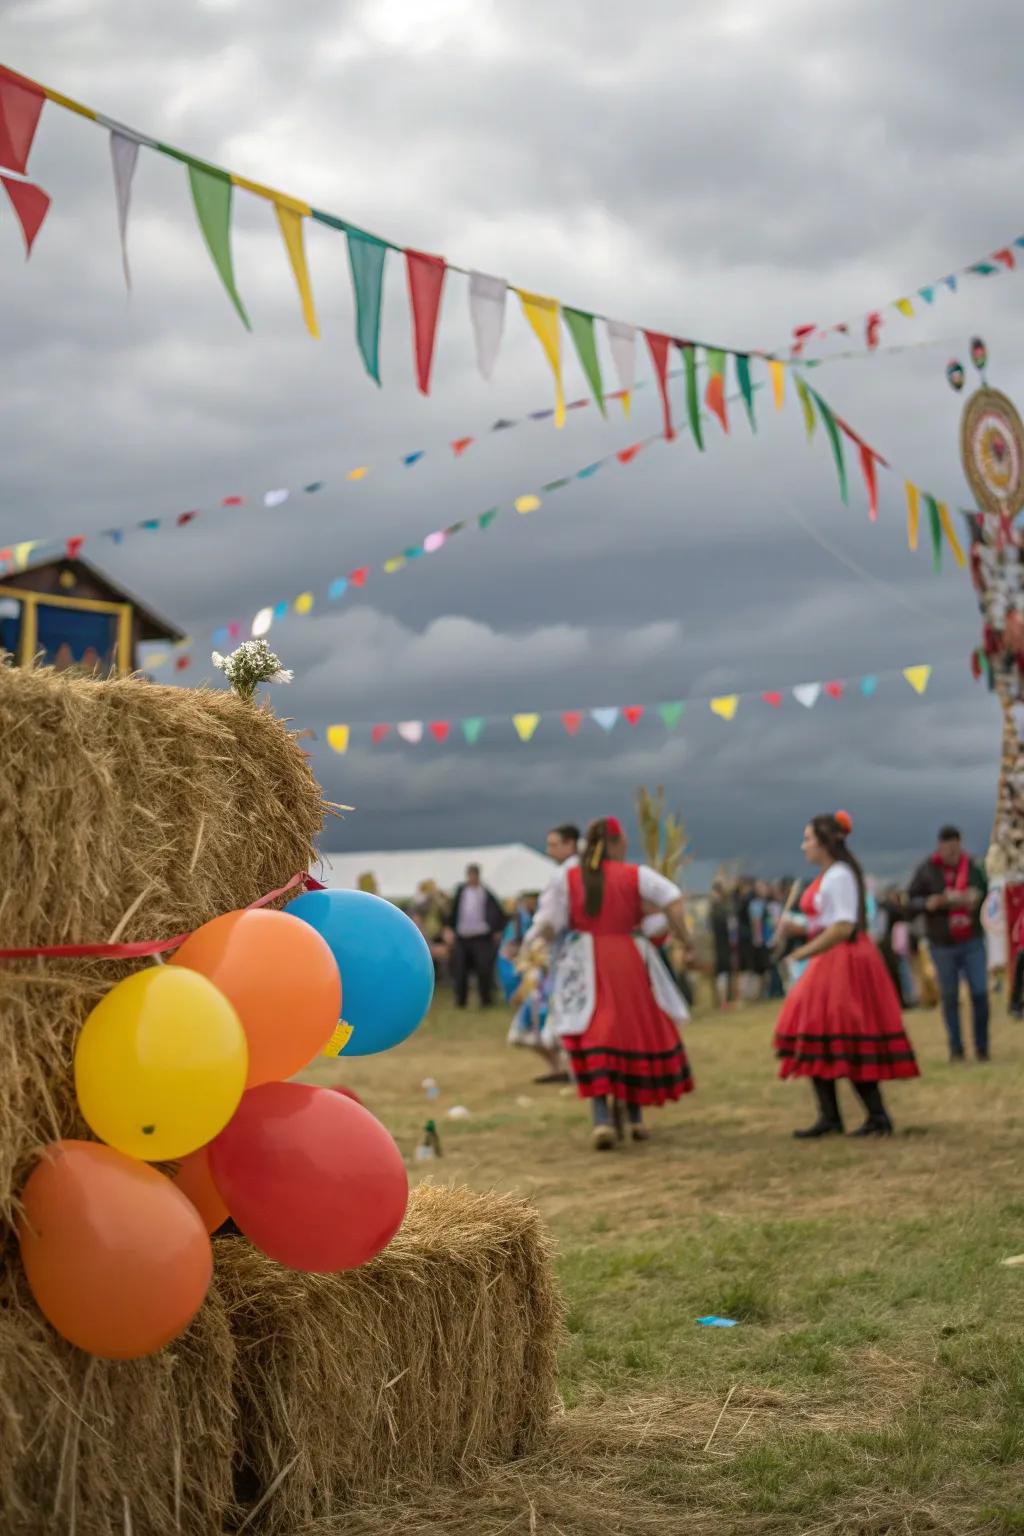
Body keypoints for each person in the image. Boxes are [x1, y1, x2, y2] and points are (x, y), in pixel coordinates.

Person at [531, 815, 693, 1149]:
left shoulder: (569, 877)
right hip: (626, 959)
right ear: (616, 844)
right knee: (629, 1032)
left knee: (595, 1032)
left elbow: (549, 922)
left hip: (584, 961)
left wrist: (535, 950)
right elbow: (673, 899)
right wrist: (683, 937)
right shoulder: (636, 875)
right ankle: (634, 1118)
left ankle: (602, 1118)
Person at [772, 811, 920, 1138]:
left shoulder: (838, 875)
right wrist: (799, 927)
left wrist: (803, 951)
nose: (804, 846)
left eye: (808, 839)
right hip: (833, 958)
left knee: (845, 1033)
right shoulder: (832, 874)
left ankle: (874, 1115)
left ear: (825, 843)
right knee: (818, 1033)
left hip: (842, 960)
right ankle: (832, 1115)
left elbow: (842, 927)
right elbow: (827, 922)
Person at [908, 826, 989, 1061]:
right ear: (940, 846)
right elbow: (911, 901)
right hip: (942, 941)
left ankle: (982, 1048)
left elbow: (987, 893)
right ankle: (956, 1049)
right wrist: (928, 903)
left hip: (972, 937)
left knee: (980, 992)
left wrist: (976, 897)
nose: (951, 853)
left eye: (955, 848)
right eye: (947, 848)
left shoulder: (973, 866)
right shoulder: (926, 869)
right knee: (950, 996)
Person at [447, 864, 505, 1008]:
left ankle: (486, 1000)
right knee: (460, 970)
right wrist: (448, 928)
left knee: (484, 969)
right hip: (462, 936)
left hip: (481, 937)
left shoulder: (486, 893)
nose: (472, 878)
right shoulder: (461, 892)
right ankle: (461, 1000)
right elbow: (452, 912)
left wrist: (497, 929)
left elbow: (498, 913)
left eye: (475, 875)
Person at [708, 881, 733, 1009]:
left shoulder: (723, 907)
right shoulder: (714, 909)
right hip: (717, 944)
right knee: (720, 972)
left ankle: (725, 1000)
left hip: (724, 944)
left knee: (725, 971)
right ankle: (721, 1000)